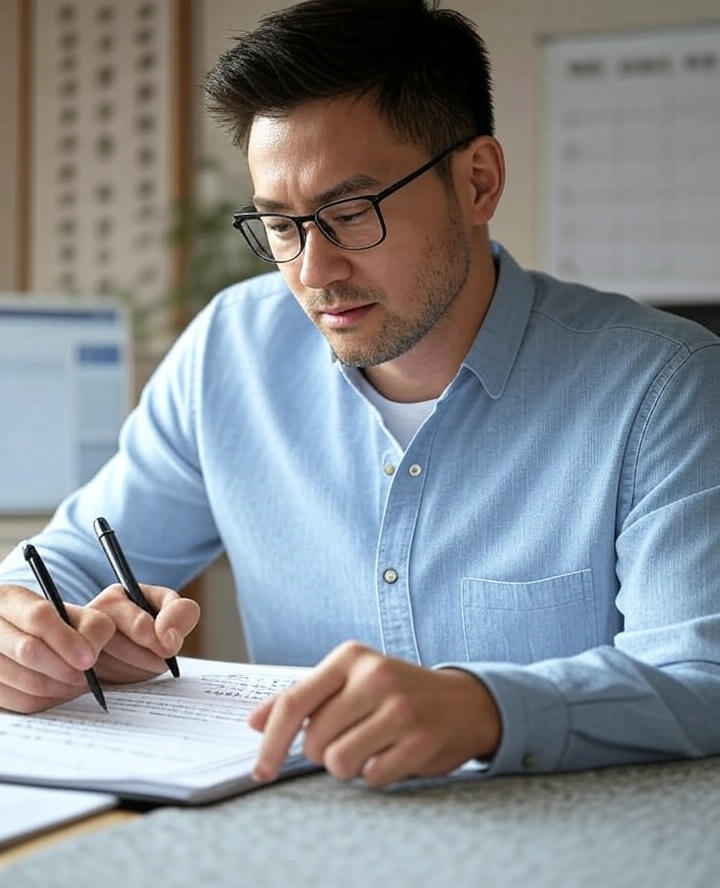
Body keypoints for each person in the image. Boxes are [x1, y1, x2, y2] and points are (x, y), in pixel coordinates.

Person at [1, 0, 719, 789]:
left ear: (478, 182)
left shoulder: (664, 386)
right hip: (297, 843)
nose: (314, 271)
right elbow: (64, 563)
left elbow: (700, 675)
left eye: (350, 213)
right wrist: (32, 630)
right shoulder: (230, 353)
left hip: (579, 857)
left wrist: (483, 707)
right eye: (280, 225)